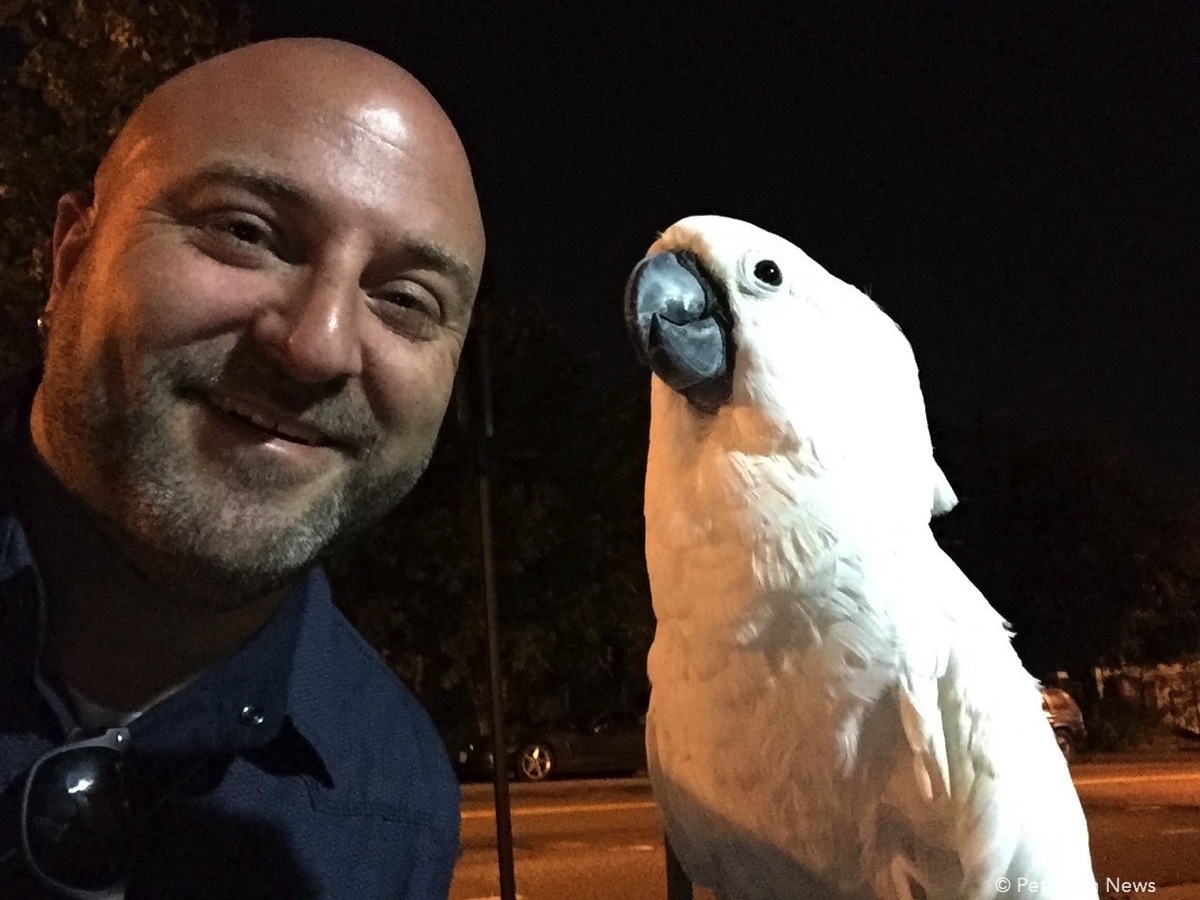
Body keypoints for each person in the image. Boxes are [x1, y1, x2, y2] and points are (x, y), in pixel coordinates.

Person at [0, 36, 485, 899]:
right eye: (246, 232)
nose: (317, 346)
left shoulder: (399, 801)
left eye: (406, 299)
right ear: (71, 259)